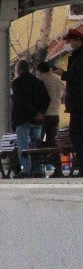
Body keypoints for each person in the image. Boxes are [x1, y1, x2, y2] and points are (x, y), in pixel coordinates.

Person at [11, 59, 50, 178]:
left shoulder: (17, 83)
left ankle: (27, 170)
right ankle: (38, 170)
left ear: (18, 70)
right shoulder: (39, 82)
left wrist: (33, 114)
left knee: (23, 146)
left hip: (23, 119)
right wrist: (40, 113)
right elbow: (47, 99)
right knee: (36, 145)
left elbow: (21, 102)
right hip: (37, 121)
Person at [54, 28, 83, 175]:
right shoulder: (76, 56)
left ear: (78, 41)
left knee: (77, 134)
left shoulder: (81, 57)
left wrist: (64, 74)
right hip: (76, 104)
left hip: (80, 104)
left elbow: (79, 77)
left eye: (70, 41)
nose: (68, 43)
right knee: (76, 135)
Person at [37, 61, 63, 147]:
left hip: (45, 114)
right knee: (52, 142)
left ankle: (40, 159)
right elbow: (63, 93)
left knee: (38, 141)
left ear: (39, 70)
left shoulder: (41, 79)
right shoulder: (58, 79)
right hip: (56, 114)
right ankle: (54, 159)